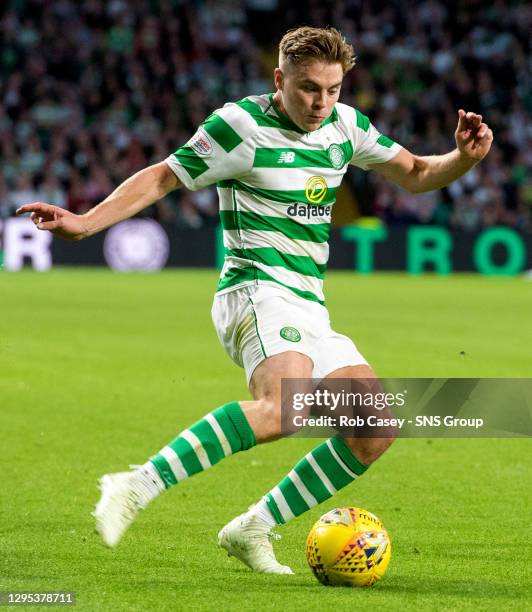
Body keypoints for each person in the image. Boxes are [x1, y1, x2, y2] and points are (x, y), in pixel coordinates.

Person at [17, 26, 493, 575]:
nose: (321, 103)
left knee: (374, 428)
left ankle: (253, 527)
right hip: (254, 289)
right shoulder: (239, 126)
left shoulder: (346, 126)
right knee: (283, 408)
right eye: (309, 88)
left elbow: (414, 173)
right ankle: (134, 484)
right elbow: (163, 178)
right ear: (279, 79)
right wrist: (85, 222)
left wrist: (463, 158)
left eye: (333, 89)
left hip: (308, 303)